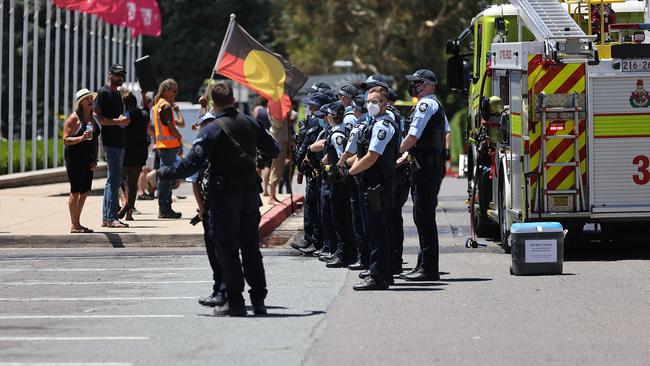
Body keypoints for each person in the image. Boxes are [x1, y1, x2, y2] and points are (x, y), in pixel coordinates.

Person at [158, 81, 279, 317]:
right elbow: (273, 149)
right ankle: (259, 300)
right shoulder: (251, 123)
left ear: (213, 102)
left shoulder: (212, 130)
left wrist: (163, 173)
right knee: (251, 249)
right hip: (250, 196)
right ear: (233, 99)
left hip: (225, 199)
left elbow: (191, 163)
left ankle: (234, 302)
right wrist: (253, 159)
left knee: (228, 250)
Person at [347, 87, 399, 290]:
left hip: (376, 184)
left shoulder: (383, 126)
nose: (371, 104)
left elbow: (372, 156)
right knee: (376, 229)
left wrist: (351, 172)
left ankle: (378, 276)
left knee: (377, 230)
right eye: (369, 100)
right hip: (371, 182)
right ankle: (384, 273)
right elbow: (362, 154)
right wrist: (347, 163)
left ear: (385, 104)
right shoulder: (373, 123)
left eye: (376, 101)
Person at [399, 69, 447, 282]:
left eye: (418, 83)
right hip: (428, 166)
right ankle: (424, 264)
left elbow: (412, 136)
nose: (414, 86)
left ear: (428, 85)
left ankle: (428, 268)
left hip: (426, 168)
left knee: (424, 216)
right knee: (423, 216)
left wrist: (392, 152)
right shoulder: (432, 104)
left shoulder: (425, 104)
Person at [94, 63, 130, 228]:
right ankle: (109, 217)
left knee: (116, 179)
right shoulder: (103, 93)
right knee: (113, 179)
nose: (120, 78)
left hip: (120, 141)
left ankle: (110, 216)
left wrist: (124, 121)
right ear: (110, 74)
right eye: (117, 75)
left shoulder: (118, 95)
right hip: (110, 142)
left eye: (122, 75)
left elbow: (119, 119)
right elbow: (98, 118)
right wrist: (118, 121)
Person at [63, 88, 100, 233]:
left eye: (91, 98)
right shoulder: (73, 119)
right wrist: (81, 138)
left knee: (85, 192)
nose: (90, 100)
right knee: (75, 191)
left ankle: (77, 222)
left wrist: (95, 159)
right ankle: (74, 224)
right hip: (75, 158)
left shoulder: (93, 117)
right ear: (80, 103)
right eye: (87, 99)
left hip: (88, 159)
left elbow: (95, 139)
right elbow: (66, 140)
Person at [152, 79, 186, 219]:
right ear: (166, 89)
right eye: (174, 91)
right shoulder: (165, 106)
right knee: (166, 179)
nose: (175, 94)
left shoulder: (159, 104)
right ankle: (165, 209)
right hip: (168, 147)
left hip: (164, 147)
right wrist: (180, 139)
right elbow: (172, 128)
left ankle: (165, 208)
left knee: (165, 178)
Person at [118, 90, 151, 221]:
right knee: (133, 184)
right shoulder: (144, 115)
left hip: (125, 153)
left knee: (118, 181)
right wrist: (144, 96)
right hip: (139, 154)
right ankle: (129, 212)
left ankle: (125, 202)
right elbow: (146, 108)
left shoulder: (124, 117)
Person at [252, 97, 273, 196]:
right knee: (267, 165)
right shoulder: (269, 110)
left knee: (258, 164)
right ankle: (265, 189)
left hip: (257, 138)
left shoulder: (257, 110)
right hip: (268, 137)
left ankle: (257, 187)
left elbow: (254, 123)